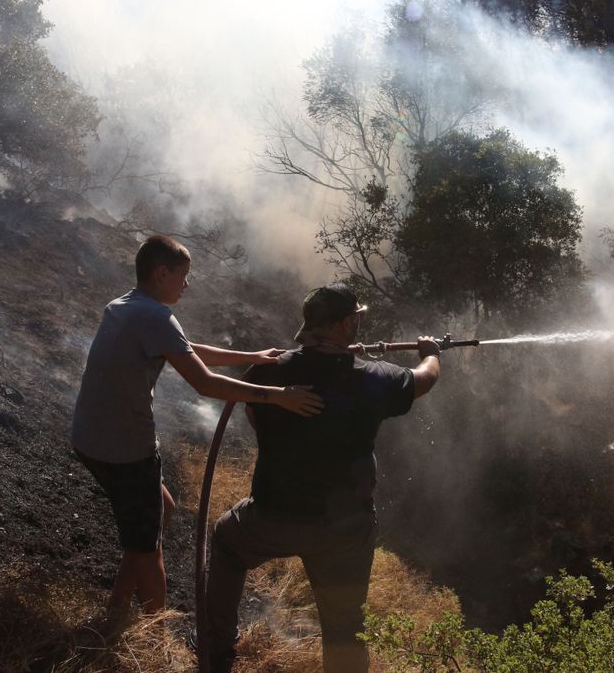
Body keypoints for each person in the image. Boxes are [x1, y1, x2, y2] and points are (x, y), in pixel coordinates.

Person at [71, 235, 324, 618]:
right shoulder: (154, 315)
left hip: (90, 437)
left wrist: (251, 356)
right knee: (147, 545)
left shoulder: (126, 306)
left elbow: (185, 348)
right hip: (123, 449)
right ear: (161, 273)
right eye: (183, 276)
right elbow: (204, 383)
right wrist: (279, 395)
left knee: (160, 512)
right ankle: (153, 635)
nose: (186, 284)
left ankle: (118, 607)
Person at [204, 283, 441, 673]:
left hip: (273, 515)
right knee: (345, 629)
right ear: (347, 324)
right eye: (357, 319)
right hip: (344, 530)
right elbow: (423, 379)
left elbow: (252, 414)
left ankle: (219, 651)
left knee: (227, 539)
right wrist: (431, 353)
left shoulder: (270, 371)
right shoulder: (374, 377)